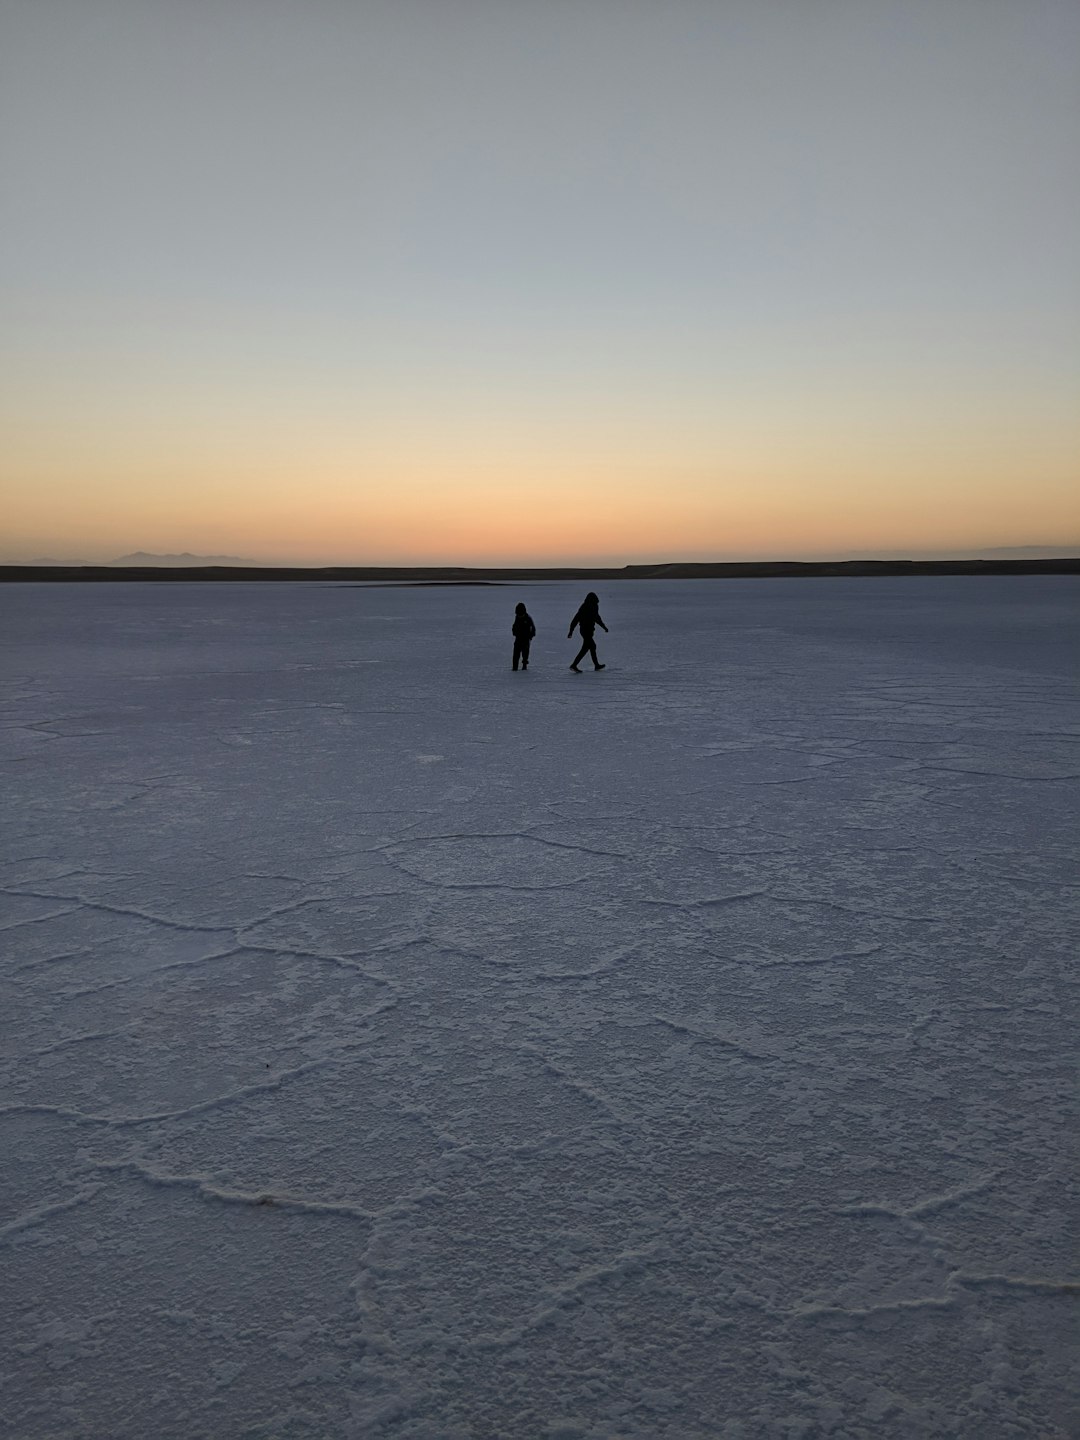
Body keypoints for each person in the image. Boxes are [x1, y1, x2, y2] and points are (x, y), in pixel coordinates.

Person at [568, 591, 608, 671]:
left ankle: (594, 665)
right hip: (584, 631)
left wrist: (604, 627)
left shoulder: (594, 606)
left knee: (589, 647)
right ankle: (575, 665)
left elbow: (597, 618)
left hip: (589, 630)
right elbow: (576, 619)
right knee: (590, 646)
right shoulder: (584, 607)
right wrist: (571, 631)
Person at [512, 602, 536, 671]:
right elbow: (514, 626)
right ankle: (514, 667)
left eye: (520, 614)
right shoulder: (517, 618)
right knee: (516, 654)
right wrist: (514, 632)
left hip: (526, 639)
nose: (519, 616)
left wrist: (531, 636)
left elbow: (533, 628)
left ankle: (524, 665)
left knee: (525, 654)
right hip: (518, 638)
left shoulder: (528, 618)